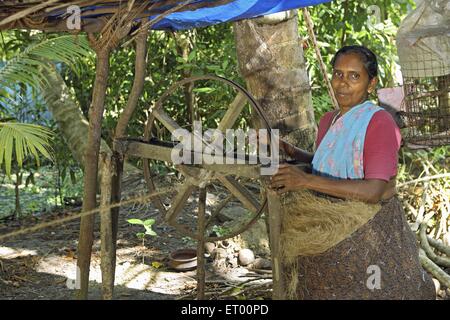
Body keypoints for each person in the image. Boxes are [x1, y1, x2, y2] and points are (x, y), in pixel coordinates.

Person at [269, 45, 435, 299]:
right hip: (326, 231)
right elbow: (333, 164)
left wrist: (304, 180)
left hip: (368, 233)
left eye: (354, 76)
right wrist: (296, 154)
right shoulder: (328, 120)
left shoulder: (379, 122)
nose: (343, 83)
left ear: (371, 84)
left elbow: (373, 190)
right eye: (338, 74)